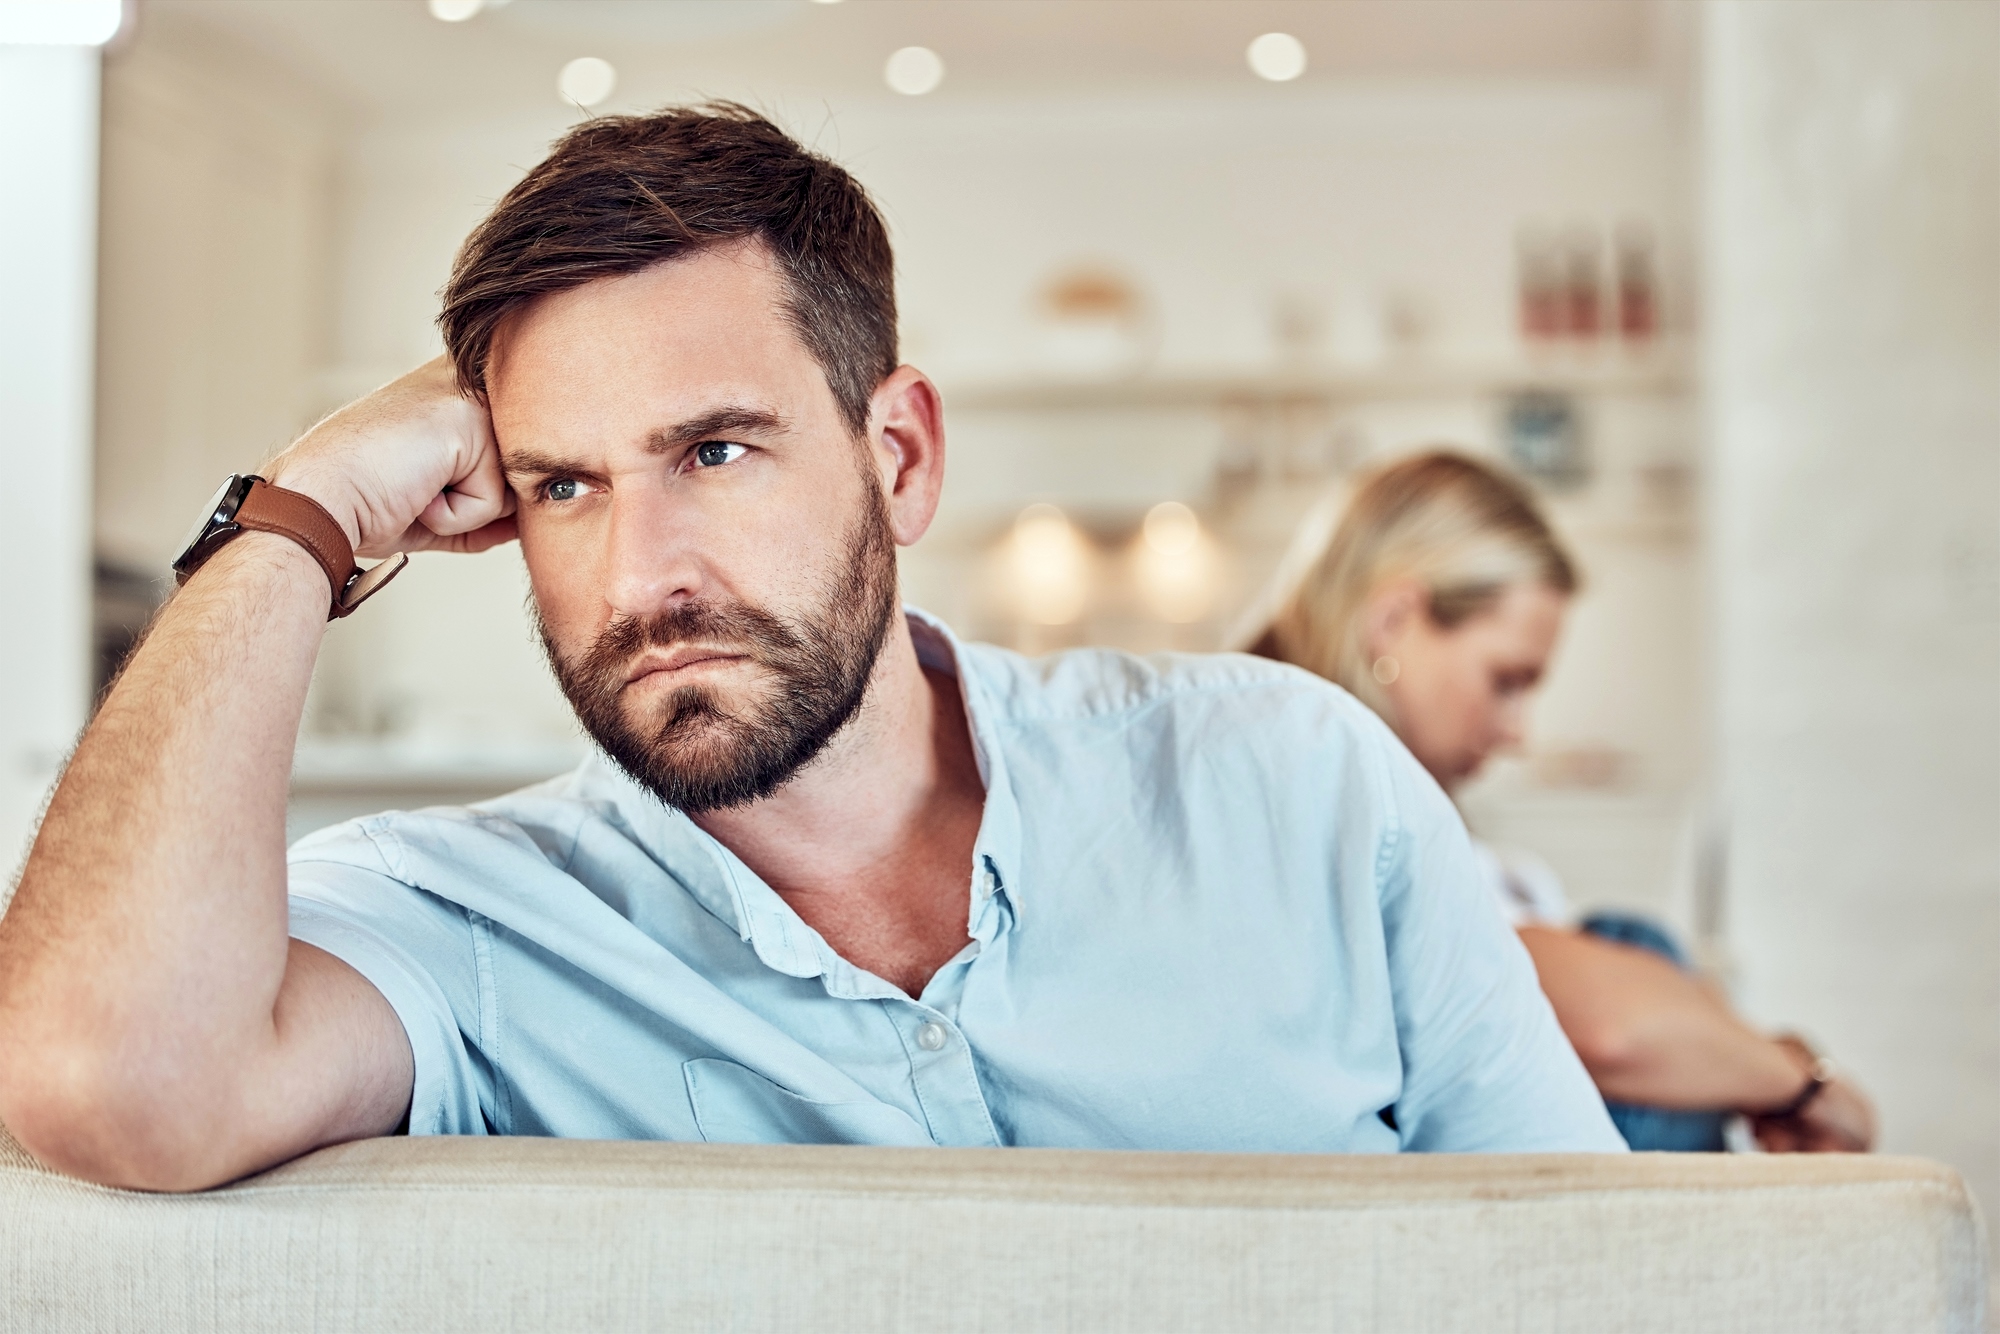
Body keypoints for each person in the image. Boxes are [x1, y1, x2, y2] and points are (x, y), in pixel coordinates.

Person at [0, 107, 1622, 1191]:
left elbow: (1589, 1274)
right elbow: (104, 1075)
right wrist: (301, 516)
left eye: (714, 450)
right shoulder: (478, 927)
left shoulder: (1294, 781)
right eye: (566, 481)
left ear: (899, 456)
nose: (643, 573)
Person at [1249, 451, 1876, 1153]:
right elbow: (1605, 1028)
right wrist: (1801, 1083)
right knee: (1636, 950)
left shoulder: (1276, 754)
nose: (1518, 732)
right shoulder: (1305, 775)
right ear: (1394, 619)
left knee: (1644, 968)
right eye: (1507, 680)